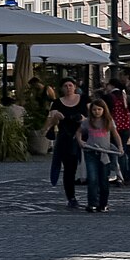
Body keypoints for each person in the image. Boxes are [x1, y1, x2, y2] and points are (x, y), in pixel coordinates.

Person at [45, 78, 89, 209]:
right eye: (65, 85)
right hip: (66, 138)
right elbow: (50, 123)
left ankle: (94, 196)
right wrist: (55, 118)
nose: (68, 88)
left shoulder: (85, 99)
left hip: (84, 136)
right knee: (69, 169)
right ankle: (71, 197)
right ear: (62, 88)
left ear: (75, 87)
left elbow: (94, 116)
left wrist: (83, 119)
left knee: (90, 167)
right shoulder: (57, 103)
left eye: (70, 85)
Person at [78, 98, 124, 213]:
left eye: (99, 109)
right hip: (91, 153)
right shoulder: (87, 122)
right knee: (92, 178)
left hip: (105, 154)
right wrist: (80, 141)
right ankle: (92, 203)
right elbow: (78, 132)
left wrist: (120, 147)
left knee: (104, 180)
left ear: (104, 110)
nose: (96, 112)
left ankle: (103, 203)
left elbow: (115, 134)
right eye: (94, 110)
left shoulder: (108, 121)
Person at [109, 70, 130, 185]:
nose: (119, 77)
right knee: (125, 149)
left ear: (127, 76)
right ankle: (124, 175)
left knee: (129, 149)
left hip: (128, 126)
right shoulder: (124, 88)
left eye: (121, 75)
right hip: (127, 125)